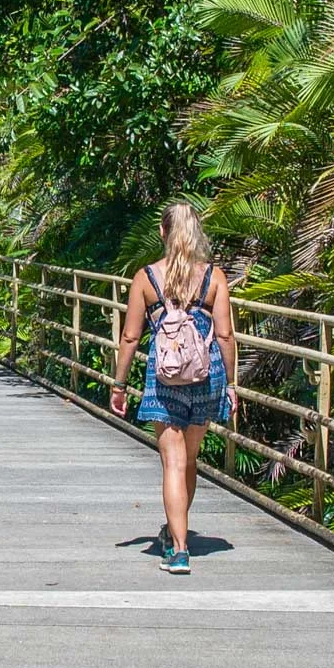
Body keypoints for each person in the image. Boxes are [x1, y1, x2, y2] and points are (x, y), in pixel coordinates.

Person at [110, 202, 237, 575]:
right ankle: (176, 533)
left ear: (163, 233)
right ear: (196, 232)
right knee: (190, 460)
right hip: (206, 375)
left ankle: (178, 549)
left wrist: (119, 384)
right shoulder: (214, 278)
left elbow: (131, 336)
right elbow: (226, 335)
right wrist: (231, 384)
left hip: (164, 377)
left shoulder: (146, 278)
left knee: (173, 463)